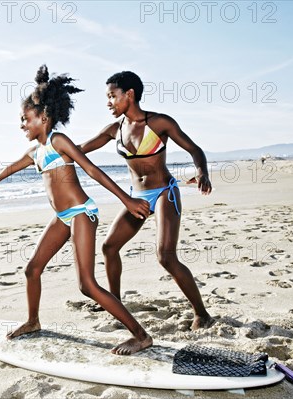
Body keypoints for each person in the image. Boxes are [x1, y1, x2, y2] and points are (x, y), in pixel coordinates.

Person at [0, 65, 153, 354]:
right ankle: (33, 321)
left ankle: (141, 335)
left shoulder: (58, 141)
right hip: (62, 217)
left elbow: (92, 170)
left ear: (44, 117)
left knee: (87, 285)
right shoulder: (34, 152)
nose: (22, 124)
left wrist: (127, 201)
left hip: (81, 214)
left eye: (26, 119)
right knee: (32, 269)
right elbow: (5, 172)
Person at [79, 71, 215, 330]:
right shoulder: (113, 130)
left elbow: (194, 150)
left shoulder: (159, 122)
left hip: (165, 191)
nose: (108, 102)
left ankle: (202, 313)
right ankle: (115, 303)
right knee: (109, 247)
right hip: (137, 197)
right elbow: (79, 148)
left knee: (165, 256)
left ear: (129, 94)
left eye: (112, 96)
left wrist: (202, 172)